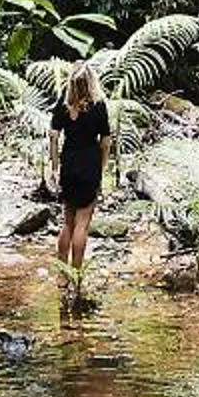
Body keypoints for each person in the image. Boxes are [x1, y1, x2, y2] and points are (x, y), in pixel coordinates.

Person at [46, 61, 113, 295]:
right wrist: (102, 167)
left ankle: (61, 276)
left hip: (69, 165)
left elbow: (53, 135)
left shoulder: (63, 105)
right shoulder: (98, 106)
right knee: (82, 225)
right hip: (89, 166)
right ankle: (77, 276)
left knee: (68, 222)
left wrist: (54, 166)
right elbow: (105, 141)